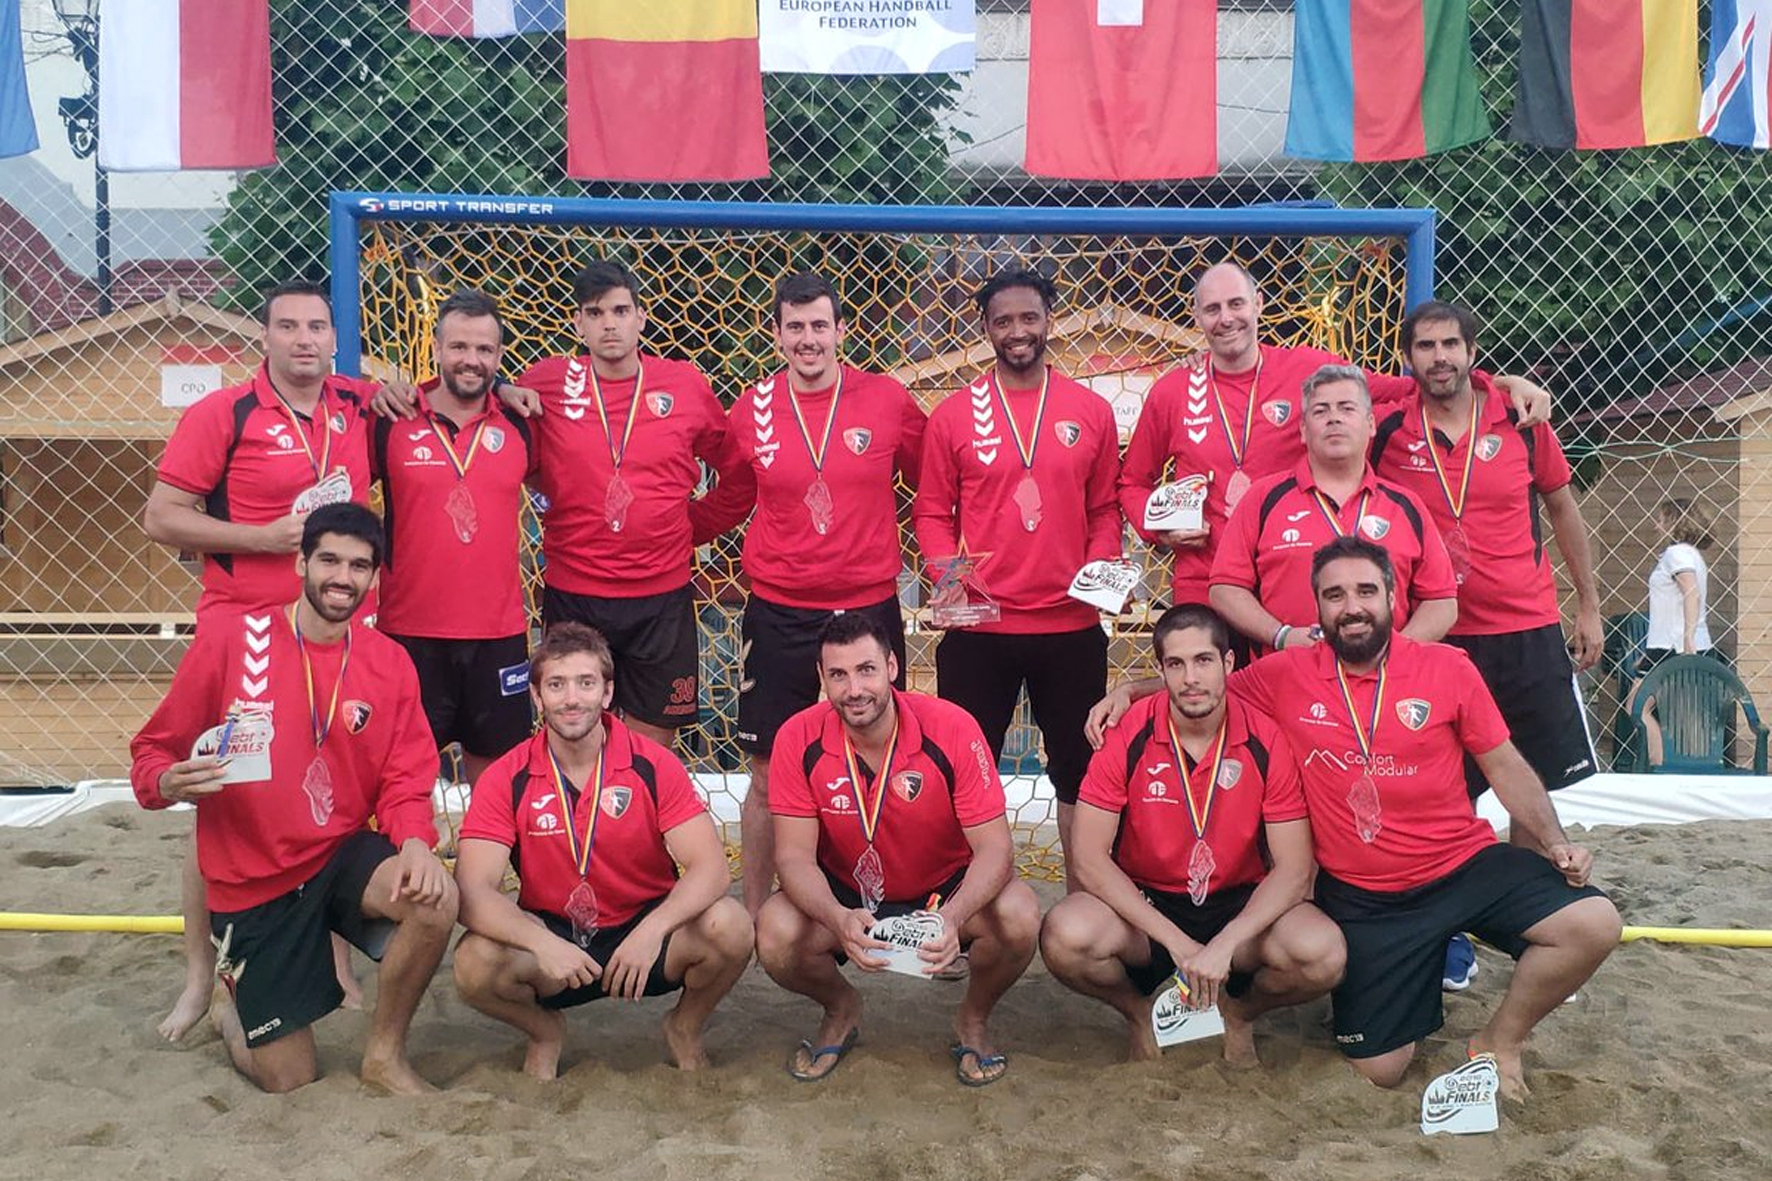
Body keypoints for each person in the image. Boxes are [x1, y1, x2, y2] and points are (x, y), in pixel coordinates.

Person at [1090, 537, 1621, 1099]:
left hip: (1461, 865)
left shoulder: (1447, 667)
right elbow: (1202, 683)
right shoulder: (1284, 674)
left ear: (1393, 597)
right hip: (1367, 898)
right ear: (1318, 607)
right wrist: (1130, 690)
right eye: (1334, 595)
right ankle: (1412, 976)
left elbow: (1505, 766)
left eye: (1366, 591)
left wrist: (1555, 842)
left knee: (1592, 923)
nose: (1352, 607)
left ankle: (1499, 1043)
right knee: (1380, 1070)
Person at [128, 504, 456, 1094]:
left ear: (374, 578)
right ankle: (232, 1011)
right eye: (329, 560)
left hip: (339, 854)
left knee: (435, 898)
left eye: (359, 566)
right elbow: (152, 750)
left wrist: (414, 842)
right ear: (301, 563)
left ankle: (384, 1056)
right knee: (288, 1078)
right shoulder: (234, 641)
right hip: (256, 878)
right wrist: (166, 782)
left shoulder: (388, 661)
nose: (343, 577)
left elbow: (406, 778)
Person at [140, 278, 381, 1042]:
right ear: (265, 336)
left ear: (335, 338)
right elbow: (161, 517)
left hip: (337, 629)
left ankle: (335, 965)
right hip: (245, 628)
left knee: (340, 788)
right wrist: (263, 537)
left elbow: (438, 392)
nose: (304, 339)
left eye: (316, 326)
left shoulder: (359, 405)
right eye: (288, 326)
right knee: (223, 797)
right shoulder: (224, 413)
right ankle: (198, 978)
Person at [1368, 301, 1603, 990]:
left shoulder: (1522, 420)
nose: (1439, 356)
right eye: (1425, 346)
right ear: (1408, 357)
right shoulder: (1389, 429)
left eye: (1451, 344)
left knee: (1534, 789)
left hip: (1527, 630)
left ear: (1472, 351)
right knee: (1443, 797)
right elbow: (1329, 384)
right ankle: (1447, 932)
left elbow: (1562, 506)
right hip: (1438, 634)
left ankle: (1531, 924)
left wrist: (1588, 603)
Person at [689, 271, 927, 918]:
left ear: (841, 331)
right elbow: (734, 495)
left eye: (819, 325)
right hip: (780, 610)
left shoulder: (887, 400)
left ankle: (899, 908)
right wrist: (672, 532)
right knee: (768, 772)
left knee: (885, 760)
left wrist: (944, 557)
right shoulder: (752, 408)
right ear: (776, 335)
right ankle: (753, 919)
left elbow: (933, 483)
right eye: (794, 327)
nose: (808, 339)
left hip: (869, 607)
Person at [1119, 263, 1550, 617]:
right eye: (1212, 309)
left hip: (1293, 577)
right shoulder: (1172, 391)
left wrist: (1500, 384)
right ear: (1197, 316)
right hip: (1205, 584)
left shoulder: (1309, 369)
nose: (1226, 318)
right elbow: (1132, 482)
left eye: (1236, 304)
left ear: (1258, 304)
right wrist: (1158, 528)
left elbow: (1412, 387)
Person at [1039, 604, 1344, 1068]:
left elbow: (1294, 869)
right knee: (1065, 935)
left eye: (1203, 660)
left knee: (1323, 953)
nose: (1191, 678)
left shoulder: (1266, 737)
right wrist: (1179, 944)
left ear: (1228, 663)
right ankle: (1139, 1013)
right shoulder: (1126, 734)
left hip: (1239, 902)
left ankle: (1239, 1013)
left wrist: (1225, 944)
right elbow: (1089, 857)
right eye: (1176, 664)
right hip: (1148, 905)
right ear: (1161, 670)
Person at [452, 623, 752, 1079]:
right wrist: (540, 941)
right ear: (536, 697)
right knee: (473, 964)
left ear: (608, 692)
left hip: (646, 932)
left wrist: (652, 932)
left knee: (731, 926)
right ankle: (544, 1031)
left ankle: (685, 1027)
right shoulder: (506, 777)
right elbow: (472, 892)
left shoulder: (653, 763)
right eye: (556, 685)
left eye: (586, 683)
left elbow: (711, 869)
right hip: (554, 938)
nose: (572, 699)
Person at [757, 612, 1041, 1086]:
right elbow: (792, 858)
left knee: (1020, 913)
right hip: (847, 892)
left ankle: (973, 1019)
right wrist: (836, 917)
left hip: (942, 892)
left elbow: (996, 849)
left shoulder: (951, 726)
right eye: (838, 675)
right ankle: (841, 1008)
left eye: (866, 670)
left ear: (892, 667)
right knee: (774, 932)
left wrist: (952, 917)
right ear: (821, 677)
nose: (854, 689)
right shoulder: (796, 736)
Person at [912, 266, 1121, 885]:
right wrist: (949, 578)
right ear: (985, 328)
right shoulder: (953, 415)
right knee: (963, 775)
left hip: (1070, 625)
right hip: (981, 629)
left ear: (1049, 319)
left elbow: (1105, 508)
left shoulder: (1090, 410)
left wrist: (1100, 568)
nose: (1018, 330)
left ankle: (1084, 905)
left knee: (1079, 775)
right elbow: (931, 511)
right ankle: (960, 909)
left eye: (1029, 317)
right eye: (1003, 321)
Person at [373, 289, 538, 787]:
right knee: (404, 779)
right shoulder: (391, 417)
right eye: (459, 346)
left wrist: (507, 388)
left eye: (484, 349)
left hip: (498, 635)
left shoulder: (522, 423)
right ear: (437, 348)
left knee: (498, 784)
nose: (471, 360)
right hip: (410, 632)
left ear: (499, 356)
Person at [1209, 364, 1458, 653]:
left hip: (1384, 677)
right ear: (1303, 431)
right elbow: (1224, 589)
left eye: (1347, 408)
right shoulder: (1263, 498)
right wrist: (1281, 636)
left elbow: (1442, 601)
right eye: (1321, 411)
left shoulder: (1405, 505)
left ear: (1371, 424)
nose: (1334, 418)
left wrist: (1395, 653)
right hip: (1290, 672)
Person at [1633, 497, 1718, 766]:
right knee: (1670, 713)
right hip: (1671, 644)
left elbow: (1690, 592)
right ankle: (1664, 766)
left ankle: (1657, 768)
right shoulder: (1691, 554)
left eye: (1660, 520)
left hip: (1672, 647)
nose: (1656, 525)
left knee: (1637, 707)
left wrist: (1687, 636)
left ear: (1675, 522)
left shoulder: (1676, 554)